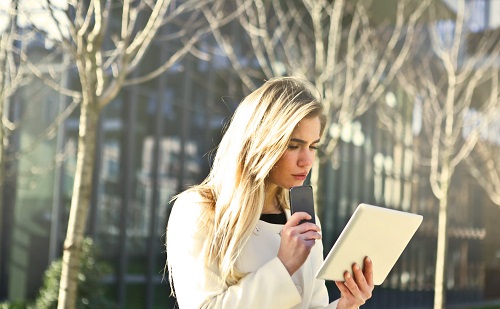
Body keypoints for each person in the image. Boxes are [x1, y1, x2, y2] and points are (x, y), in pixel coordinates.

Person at [166, 77, 374, 308]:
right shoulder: (199, 210)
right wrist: (283, 266)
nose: (307, 160)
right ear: (261, 143)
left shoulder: (301, 219)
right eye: (293, 146)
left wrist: (346, 304)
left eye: (313, 146)